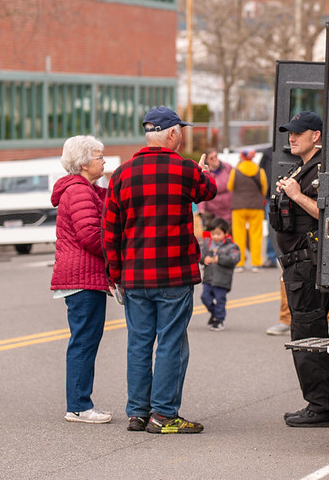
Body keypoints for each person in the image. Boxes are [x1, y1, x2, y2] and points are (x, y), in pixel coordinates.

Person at [103, 106, 217, 434]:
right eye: (179, 130)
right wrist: (202, 171)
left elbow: (110, 229)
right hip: (174, 273)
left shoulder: (122, 174)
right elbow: (208, 191)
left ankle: (137, 412)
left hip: (135, 276)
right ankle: (164, 414)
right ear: (170, 134)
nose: (182, 134)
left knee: (139, 342)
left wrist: (115, 274)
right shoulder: (184, 170)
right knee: (171, 341)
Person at [271, 111, 329, 428]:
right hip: (297, 263)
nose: (291, 137)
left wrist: (296, 195)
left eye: (298, 132)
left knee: (307, 332)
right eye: (289, 133)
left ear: (317, 135)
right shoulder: (302, 167)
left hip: (308, 264)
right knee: (306, 330)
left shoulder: (322, 169)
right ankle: (321, 401)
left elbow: (327, 214)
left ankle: (321, 405)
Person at [50, 135, 112, 424]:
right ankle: (78, 406)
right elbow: (90, 236)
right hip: (82, 277)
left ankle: (79, 403)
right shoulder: (78, 192)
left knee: (84, 340)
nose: (104, 161)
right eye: (99, 156)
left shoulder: (87, 189)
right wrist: (116, 256)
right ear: (85, 163)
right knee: (84, 342)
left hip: (82, 276)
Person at [228, 148, 267, 272]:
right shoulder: (259, 171)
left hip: (238, 206)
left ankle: (240, 263)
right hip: (256, 206)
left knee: (239, 235)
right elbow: (264, 189)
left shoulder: (235, 171)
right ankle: (256, 263)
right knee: (256, 235)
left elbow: (229, 187)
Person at [199, 217, 241, 331]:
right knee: (205, 297)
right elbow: (200, 254)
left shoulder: (231, 246)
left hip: (222, 279)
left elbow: (235, 259)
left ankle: (219, 320)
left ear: (225, 233)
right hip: (208, 277)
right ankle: (215, 314)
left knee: (220, 299)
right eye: (213, 234)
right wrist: (204, 259)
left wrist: (220, 259)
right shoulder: (208, 243)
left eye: (218, 234)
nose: (215, 236)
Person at [197, 148, 233, 227]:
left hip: (228, 210)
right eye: (211, 158)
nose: (215, 159)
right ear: (207, 160)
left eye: (216, 156)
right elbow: (201, 190)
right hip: (213, 211)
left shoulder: (227, 168)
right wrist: (201, 210)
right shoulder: (204, 173)